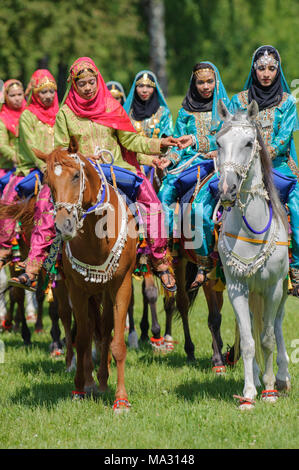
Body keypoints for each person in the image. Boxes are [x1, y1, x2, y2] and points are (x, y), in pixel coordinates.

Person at [12, 57, 182, 292]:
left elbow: (130, 139)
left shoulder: (112, 106)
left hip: (115, 169)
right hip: (80, 175)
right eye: (82, 84)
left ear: (98, 80)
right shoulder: (65, 114)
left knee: (152, 203)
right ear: (74, 85)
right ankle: (34, 267)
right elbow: (61, 148)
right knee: (44, 202)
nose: (88, 87)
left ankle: (160, 261)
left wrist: (162, 143)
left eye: (91, 82)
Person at [228, 45, 299, 296]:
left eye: (271, 68)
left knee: (298, 211)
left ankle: (296, 267)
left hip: (280, 169)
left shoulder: (288, 102)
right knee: (220, 203)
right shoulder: (239, 100)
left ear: (278, 70)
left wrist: (261, 152)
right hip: (244, 170)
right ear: (253, 69)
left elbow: (284, 137)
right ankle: (219, 260)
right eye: (261, 68)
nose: (266, 73)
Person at [157, 62, 229, 290]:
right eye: (201, 82)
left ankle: (204, 261)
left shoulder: (226, 108)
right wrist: (170, 158)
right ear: (193, 83)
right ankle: (162, 256)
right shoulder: (185, 110)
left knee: (198, 210)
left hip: (217, 165)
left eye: (210, 81)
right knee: (162, 196)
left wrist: (213, 148)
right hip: (189, 165)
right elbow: (178, 143)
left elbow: (232, 137)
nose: (206, 86)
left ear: (216, 82)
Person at [7, 69, 59, 290]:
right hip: (36, 168)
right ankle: (9, 248)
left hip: (59, 168)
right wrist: (48, 168)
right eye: (43, 91)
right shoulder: (28, 115)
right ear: (35, 93)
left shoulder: (61, 113)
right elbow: (30, 147)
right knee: (20, 201)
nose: (47, 96)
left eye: (51, 91)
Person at [124, 70, 173, 176]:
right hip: (133, 162)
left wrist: (160, 158)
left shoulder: (163, 113)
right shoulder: (127, 114)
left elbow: (169, 139)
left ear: (154, 89)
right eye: (141, 86)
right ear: (135, 88)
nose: (144, 90)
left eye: (149, 86)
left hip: (159, 163)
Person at [0, 80, 26, 266]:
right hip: (6, 169)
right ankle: (5, 242)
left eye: (20, 94)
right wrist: (17, 157)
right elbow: (1, 145)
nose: (17, 99)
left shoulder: (30, 114)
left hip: (28, 167)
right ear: (5, 97)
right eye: (12, 95)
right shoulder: (2, 118)